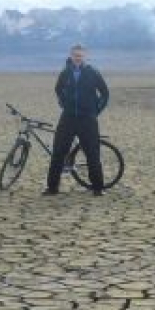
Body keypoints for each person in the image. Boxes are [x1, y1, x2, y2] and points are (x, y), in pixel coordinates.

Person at [45, 44, 109, 196]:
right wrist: (64, 103)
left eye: (80, 56)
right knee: (58, 153)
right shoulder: (65, 73)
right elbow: (58, 89)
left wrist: (96, 110)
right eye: (75, 56)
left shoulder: (93, 72)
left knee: (92, 154)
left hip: (87, 119)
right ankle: (52, 188)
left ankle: (98, 188)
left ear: (84, 56)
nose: (78, 58)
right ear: (71, 56)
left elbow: (105, 93)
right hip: (68, 118)